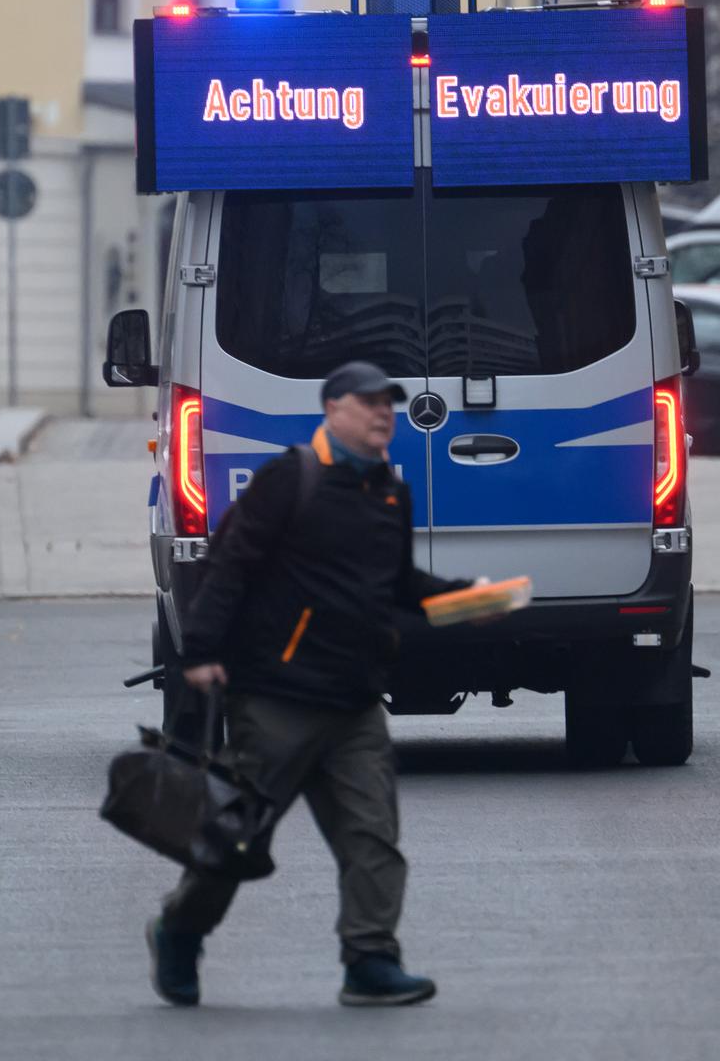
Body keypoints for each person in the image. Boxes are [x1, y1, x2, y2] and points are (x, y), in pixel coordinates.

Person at [146, 361, 478, 1009]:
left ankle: (371, 959)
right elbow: (230, 563)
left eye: (390, 403)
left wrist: (469, 602)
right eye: (371, 402)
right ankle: (180, 928)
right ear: (333, 409)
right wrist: (202, 651)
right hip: (277, 697)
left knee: (372, 836)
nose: (385, 413)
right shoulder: (288, 479)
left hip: (355, 701)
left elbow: (397, 585)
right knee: (235, 835)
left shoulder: (390, 492)